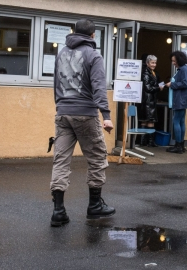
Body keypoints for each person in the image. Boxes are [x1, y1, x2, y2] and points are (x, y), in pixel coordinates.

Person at [50, 19, 115, 225]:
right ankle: (94, 205)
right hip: (85, 113)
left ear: (74, 32)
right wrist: (106, 115)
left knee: (60, 160)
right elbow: (98, 86)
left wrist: (60, 107)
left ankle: (58, 211)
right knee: (96, 157)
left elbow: (56, 84)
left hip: (63, 113)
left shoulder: (61, 53)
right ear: (92, 35)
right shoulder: (93, 55)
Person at [165, 51, 187, 154]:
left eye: (174, 61)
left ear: (179, 60)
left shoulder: (183, 69)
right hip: (183, 99)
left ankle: (178, 145)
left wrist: (172, 84)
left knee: (176, 121)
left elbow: (185, 84)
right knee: (181, 121)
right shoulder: (184, 69)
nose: (173, 63)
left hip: (181, 99)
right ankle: (181, 145)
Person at [138, 55, 164, 147]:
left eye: (155, 63)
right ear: (147, 63)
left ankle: (146, 142)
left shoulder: (153, 72)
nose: (154, 64)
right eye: (152, 62)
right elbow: (148, 88)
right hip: (147, 101)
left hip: (150, 100)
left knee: (147, 120)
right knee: (147, 121)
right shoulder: (145, 73)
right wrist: (158, 88)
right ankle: (148, 142)